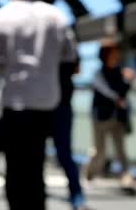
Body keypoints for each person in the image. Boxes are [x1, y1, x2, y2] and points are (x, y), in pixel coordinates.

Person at [0, 0, 78, 210]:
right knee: (36, 164)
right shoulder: (55, 15)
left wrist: (9, 68)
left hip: (15, 101)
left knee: (15, 166)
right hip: (47, 101)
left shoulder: (0, 17)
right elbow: (70, 56)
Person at [84, 40, 135, 189]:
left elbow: (123, 92)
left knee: (121, 149)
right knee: (100, 151)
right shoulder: (98, 73)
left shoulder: (119, 72)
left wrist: (129, 80)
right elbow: (102, 89)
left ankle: (126, 176)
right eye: (114, 51)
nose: (117, 54)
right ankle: (90, 172)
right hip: (101, 118)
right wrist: (116, 98)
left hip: (116, 118)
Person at [52, 58, 86, 209]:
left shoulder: (65, 36)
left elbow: (76, 68)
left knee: (64, 153)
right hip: (51, 103)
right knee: (65, 153)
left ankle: (76, 194)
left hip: (58, 103)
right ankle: (76, 195)